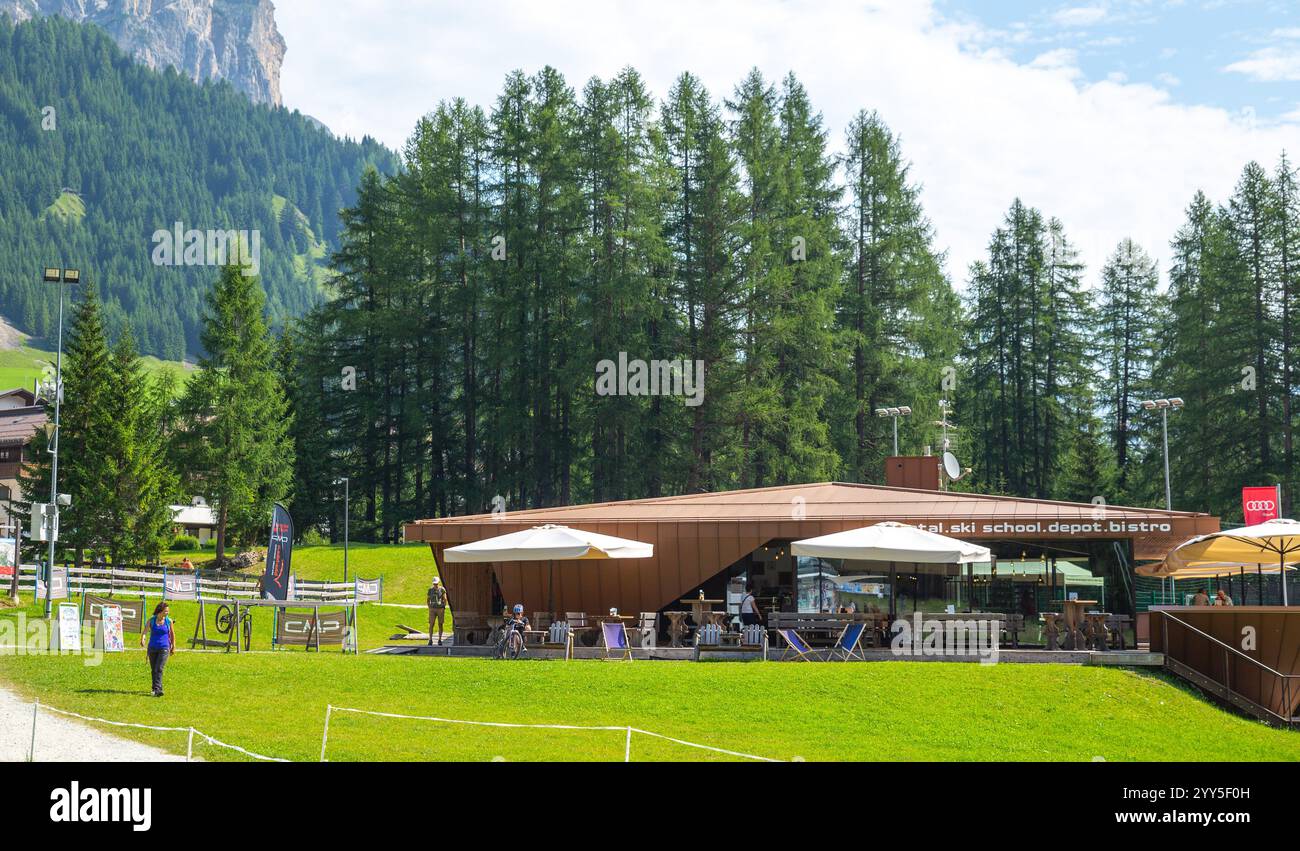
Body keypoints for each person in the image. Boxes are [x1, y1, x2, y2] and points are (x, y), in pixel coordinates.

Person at [140, 602, 175, 697]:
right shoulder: (151, 620)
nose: (167, 613)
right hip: (152, 648)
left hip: (164, 647)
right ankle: (155, 688)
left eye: (168, 611)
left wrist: (173, 646)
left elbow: (172, 634)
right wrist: (143, 639)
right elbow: (145, 632)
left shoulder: (169, 621)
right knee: (154, 669)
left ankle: (157, 690)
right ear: (160, 611)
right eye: (165, 611)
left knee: (159, 668)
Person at [427, 576, 448, 645]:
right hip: (432, 609)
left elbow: (445, 599)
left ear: (438, 582)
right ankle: (430, 639)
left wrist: (443, 607)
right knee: (431, 624)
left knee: (440, 624)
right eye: (434, 584)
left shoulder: (442, 589)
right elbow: (428, 599)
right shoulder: (430, 590)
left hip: (440, 609)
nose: (435, 585)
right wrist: (429, 607)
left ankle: (440, 639)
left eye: (436, 583)